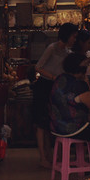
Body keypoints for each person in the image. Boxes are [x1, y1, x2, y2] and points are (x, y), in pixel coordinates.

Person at [33, 22, 79, 168]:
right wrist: (53, 77)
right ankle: (42, 157)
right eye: (73, 36)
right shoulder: (52, 48)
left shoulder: (67, 52)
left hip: (55, 87)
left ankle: (51, 155)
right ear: (67, 35)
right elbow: (38, 67)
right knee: (41, 123)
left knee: (51, 120)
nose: (74, 39)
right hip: (44, 86)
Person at [49, 52, 90, 143]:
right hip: (75, 128)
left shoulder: (60, 78)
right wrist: (87, 83)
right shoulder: (79, 85)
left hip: (55, 127)